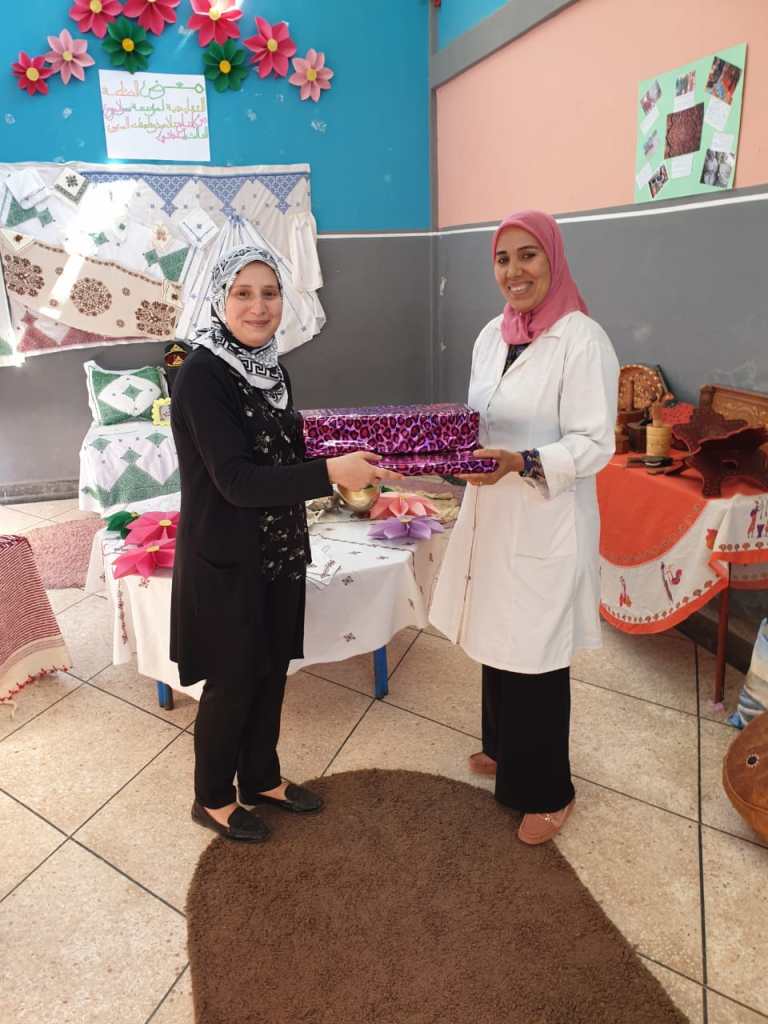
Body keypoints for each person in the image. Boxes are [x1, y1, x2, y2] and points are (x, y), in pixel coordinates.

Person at [170, 245, 400, 843]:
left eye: (269, 293)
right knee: (232, 680)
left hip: (277, 548)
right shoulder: (202, 375)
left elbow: (285, 449)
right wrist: (331, 471)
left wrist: (355, 455)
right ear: (219, 300)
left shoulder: (270, 369)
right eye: (243, 293)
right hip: (227, 557)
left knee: (271, 668)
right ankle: (212, 798)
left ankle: (261, 778)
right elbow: (236, 480)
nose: (259, 307)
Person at [429, 210, 619, 845]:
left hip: (544, 515)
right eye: (503, 258)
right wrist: (448, 453)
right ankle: (503, 750)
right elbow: (477, 419)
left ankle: (548, 791)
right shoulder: (493, 334)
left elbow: (594, 443)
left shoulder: (583, 340)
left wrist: (523, 462)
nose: (515, 271)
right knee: (496, 636)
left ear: (553, 260)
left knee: (536, 653)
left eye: (528, 255)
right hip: (493, 512)